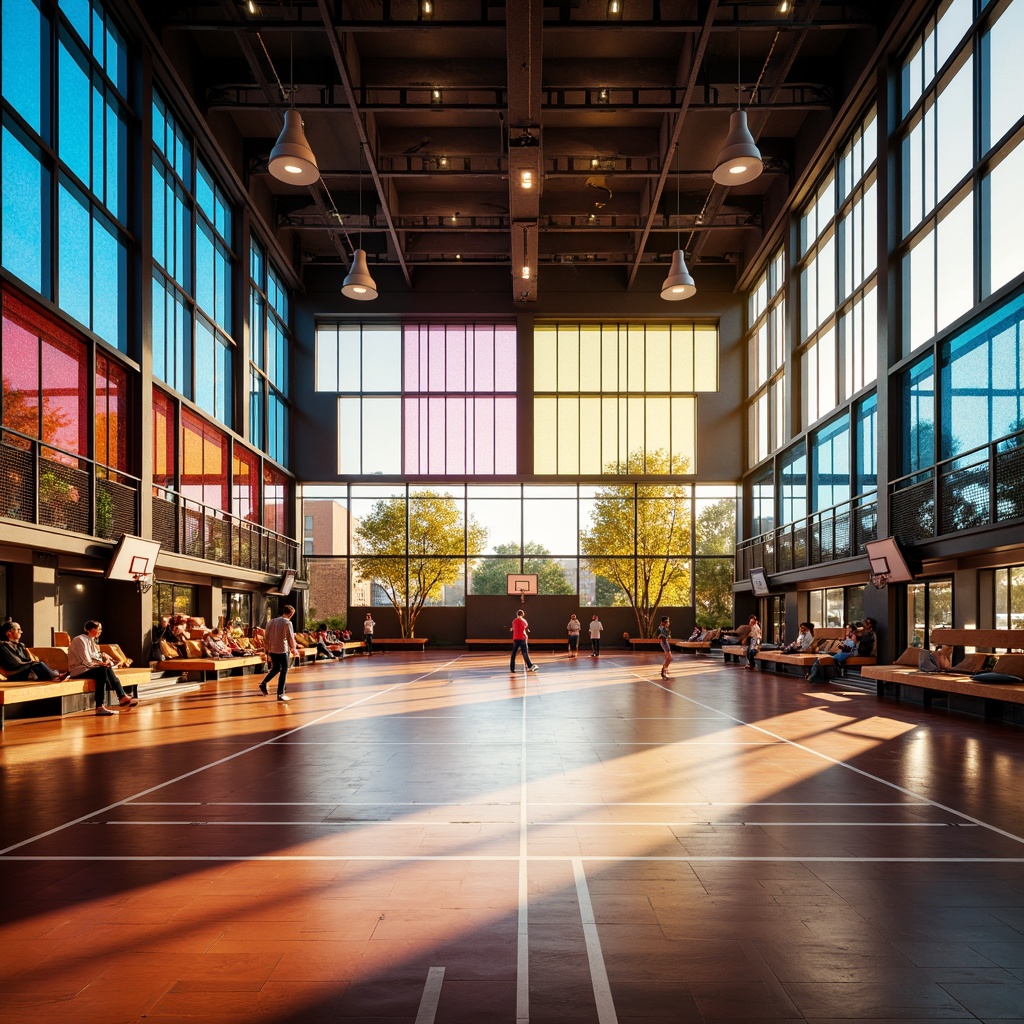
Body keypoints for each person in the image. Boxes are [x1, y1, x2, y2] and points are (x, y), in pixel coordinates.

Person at [68, 621, 138, 716]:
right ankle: (105, 704)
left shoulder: (91, 641)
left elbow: (95, 658)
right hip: (78, 670)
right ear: (93, 629)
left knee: (106, 669)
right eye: (99, 629)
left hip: (87, 668)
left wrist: (108, 662)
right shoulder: (80, 640)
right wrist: (101, 664)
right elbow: (86, 661)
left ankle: (119, 697)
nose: (100, 631)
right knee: (102, 671)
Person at [258, 605, 299, 702]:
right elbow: (290, 637)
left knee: (276, 668)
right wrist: (293, 648)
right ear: (290, 614)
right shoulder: (287, 623)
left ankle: (264, 683)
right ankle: (280, 693)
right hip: (282, 649)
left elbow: (266, 636)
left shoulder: (271, 621)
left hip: (272, 649)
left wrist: (267, 649)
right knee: (284, 669)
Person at [0, 621, 65, 681]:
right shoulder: (3, 646)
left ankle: (54, 675)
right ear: (8, 633)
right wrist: (31, 663)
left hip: (23, 670)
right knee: (38, 665)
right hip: (14, 673)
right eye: (18, 630)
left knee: (37, 666)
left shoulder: (20, 646)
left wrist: (30, 660)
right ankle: (56, 676)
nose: (21, 632)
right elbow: (14, 663)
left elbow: (26, 659)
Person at [509, 609, 538, 673]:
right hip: (522, 638)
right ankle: (530, 666)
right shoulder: (524, 621)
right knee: (525, 653)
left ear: (517, 614)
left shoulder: (514, 621)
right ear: (523, 615)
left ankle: (512, 668)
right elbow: (525, 629)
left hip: (516, 639)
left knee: (513, 654)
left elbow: (514, 628)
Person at [657, 615, 673, 679]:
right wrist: (665, 635)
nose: (668, 623)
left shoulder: (664, 628)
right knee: (669, 658)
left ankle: (664, 670)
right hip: (664, 643)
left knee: (669, 658)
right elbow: (659, 636)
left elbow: (668, 636)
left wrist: (667, 634)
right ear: (663, 622)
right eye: (667, 621)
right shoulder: (661, 628)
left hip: (665, 642)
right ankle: (664, 672)